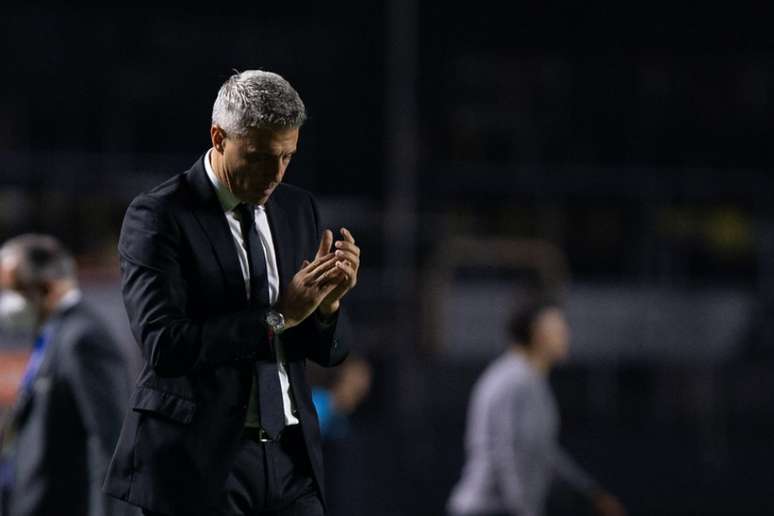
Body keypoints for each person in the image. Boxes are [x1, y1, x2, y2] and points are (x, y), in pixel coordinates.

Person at [103, 70, 359, 516]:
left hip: (291, 460)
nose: (275, 173)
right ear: (218, 137)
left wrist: (327, 307)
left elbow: (327, 351)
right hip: (202, 464)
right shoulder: (159, 216)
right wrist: (277, 317)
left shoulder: (299, 207)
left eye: (287, 156)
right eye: (260, 157)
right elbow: (165, 346)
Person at [447, 301, 626, 516]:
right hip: (492, 509)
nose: (565, 335)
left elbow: (542, 452)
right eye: (558, 329)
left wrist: (590, 493)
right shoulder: (518, 380)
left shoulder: (524, 377)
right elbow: (511, 453)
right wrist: (524, 511)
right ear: (537, 332)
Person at [0, 234, 132, 516]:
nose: (6, 301)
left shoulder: (84, 338)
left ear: (46, 286)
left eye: (13, 288)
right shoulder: (53, 333)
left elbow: (110, 443)